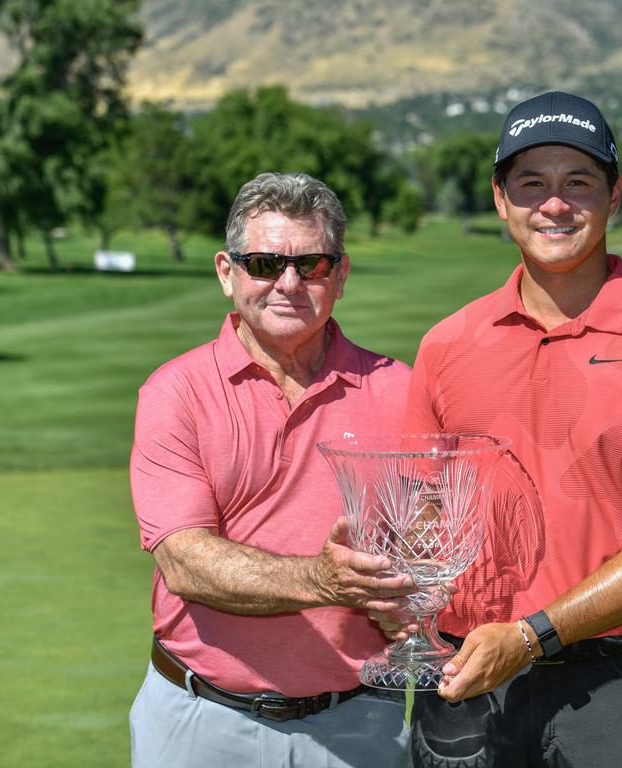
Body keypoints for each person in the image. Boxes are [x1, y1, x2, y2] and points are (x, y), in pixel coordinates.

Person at [400, 92, 622, 767]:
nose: (554, 204)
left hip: (613, 686)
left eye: (578, 182)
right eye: (531, 183)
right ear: (501, 200)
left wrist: (529, 638)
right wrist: (390, 558)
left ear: (614, 196)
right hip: (463, 672)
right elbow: (421, 513)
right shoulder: (446, 344)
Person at [129, 172, 414, 768]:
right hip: (200, 718)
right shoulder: (175, 391)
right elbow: (184, 562)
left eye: (311, 265)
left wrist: (408, 602)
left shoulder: (401, 389)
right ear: (226, 273)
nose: (288, 283)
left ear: (340, 275)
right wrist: (325, 582)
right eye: (263, 263)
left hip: (358, 719)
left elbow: (427, 544)